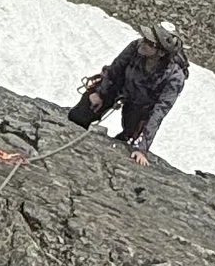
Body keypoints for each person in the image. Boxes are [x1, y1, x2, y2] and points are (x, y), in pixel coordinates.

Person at [69, 21, 188, 162]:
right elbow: (114, 70)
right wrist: (100, 93)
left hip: (141, 108)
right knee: (80, 114)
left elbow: (159, 111)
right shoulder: (135, 47)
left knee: (128, 140)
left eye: (149, 42)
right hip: (119, 87)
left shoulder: (174, 77)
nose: (142, 42)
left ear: (161, 52)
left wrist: (142, 148)